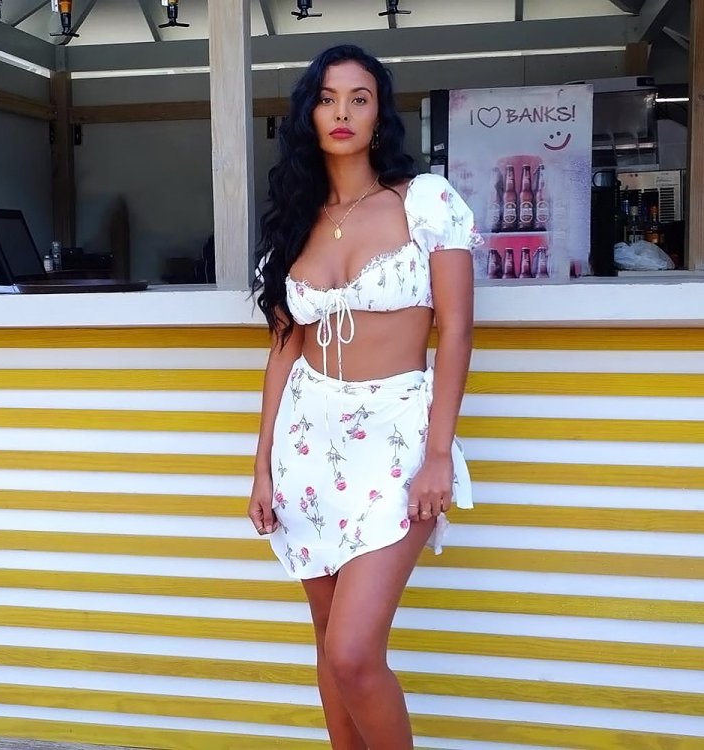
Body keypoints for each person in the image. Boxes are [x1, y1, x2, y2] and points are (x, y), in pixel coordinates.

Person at [249, 44, 477, 750]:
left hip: (397, 439)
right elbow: (284, 348)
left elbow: (457, 330)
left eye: (359, 98)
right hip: (306, 447)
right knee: (327, 641)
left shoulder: (426, 201)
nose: (342, 112)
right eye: (327, 99)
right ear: (308, 115)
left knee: (353, 652)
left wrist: (439, 453)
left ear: (380, 114)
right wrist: (261, 465)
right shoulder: (295, 219)